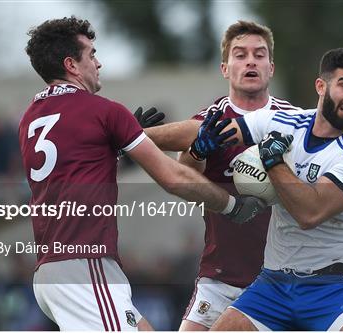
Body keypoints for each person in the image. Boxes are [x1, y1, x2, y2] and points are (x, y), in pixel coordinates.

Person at [144, 21, 343, 330]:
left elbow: (325, 200)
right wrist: (133, 136)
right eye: (241, 55)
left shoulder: (328, 137)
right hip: (244, 277)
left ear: (272, 67)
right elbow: (189, 159)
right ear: (225, 68)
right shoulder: (265, 122)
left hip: (323, 285)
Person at [19, 16, 265, 331]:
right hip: (84, 266)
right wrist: (231, 205)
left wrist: (117, 147)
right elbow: (172, 177)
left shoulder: (30, 118)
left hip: (50, 270)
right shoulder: (102, 111)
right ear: (71, 65)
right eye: (91, 54)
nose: (99, 63)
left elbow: (80, 165)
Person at [204, 47, 343, 330]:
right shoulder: (286, 122)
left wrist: (273, 161)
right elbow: (214, 131)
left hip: (333, 290)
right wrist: (135, 137)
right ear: (321, 86)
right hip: (273, 286)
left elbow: (309, 213)